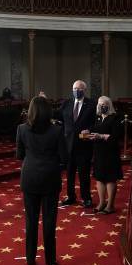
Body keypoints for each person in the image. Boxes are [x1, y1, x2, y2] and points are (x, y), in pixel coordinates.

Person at [16, 96, 67, 265]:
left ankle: (30, 258)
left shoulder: (21, 129)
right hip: (50, 178)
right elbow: (64, 158)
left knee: (30, 221)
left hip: (29, 177)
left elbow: (19, 155)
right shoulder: (57, 131)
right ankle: (50, 260)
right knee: (49, 221)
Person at [56, 80, 97, 208]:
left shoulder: (91, 104)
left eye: (79, 89)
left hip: (84, 144)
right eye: (74, 88)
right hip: (68, 145)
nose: (76, 91)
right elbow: (57, 115)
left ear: (84, 90)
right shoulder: (66, 103)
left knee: (84, 173)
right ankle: (71, 196)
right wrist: (44, 103)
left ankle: (86, 198)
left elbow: (96, 122)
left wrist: (90, 130)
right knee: (69, 173)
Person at [85, 96, 123, 214]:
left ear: (109, 105)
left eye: (105, 104)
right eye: (100, 104)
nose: (102, 106)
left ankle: (110, 205)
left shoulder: (115, 118)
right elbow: (94, 129)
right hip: (98, 152)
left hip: (110, 152)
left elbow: (116, 137)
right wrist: (87, 132)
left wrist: (101, 136)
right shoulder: (98, 117)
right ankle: (102, 203)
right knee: (99, 177)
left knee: (110, 178)